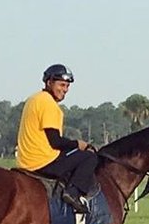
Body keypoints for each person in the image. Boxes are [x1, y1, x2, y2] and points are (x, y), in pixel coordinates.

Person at [15, 64, 99, 214]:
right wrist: (79, 144)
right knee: (89, 157)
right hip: (44, 161)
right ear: (49, 83)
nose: (65, 89)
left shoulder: (34, 99)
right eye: (61, 85)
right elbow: (56, 142)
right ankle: (73, 193)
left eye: (67, 86)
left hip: (25, 161)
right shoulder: (48, 104)